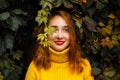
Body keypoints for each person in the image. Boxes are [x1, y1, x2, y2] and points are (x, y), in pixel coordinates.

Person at [25, 9, 94, 80]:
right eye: (54, 30)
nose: (60, 36)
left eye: (66, 30)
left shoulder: (84, 66)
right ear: (45, 33)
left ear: (72, 34)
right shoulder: (35, 67)